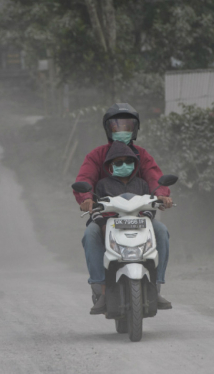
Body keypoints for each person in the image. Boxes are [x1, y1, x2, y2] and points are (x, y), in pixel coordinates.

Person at [74, 103, 173, 315]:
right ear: (108, 129)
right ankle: (100, 289)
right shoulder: (96, 156)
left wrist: (162, 195)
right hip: (105, 218)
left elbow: (155, 178)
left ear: (135, 129)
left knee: (162, 232)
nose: (122, 130)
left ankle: (156, 287)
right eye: (116, 125)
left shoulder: (142, 156)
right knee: (90, 234)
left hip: (140, 217)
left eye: (127, 125)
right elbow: (85, 180)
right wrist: (86, 199)